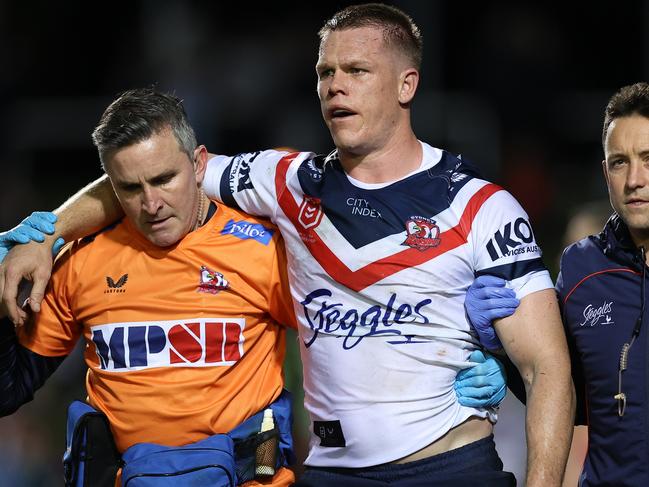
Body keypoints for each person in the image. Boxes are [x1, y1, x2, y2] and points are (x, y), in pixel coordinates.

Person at [0, 4, 574, 486]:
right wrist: (49, 228)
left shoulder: (481, 206)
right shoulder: (282, 181)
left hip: (445, 467)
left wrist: (497, 360)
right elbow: (154, 167)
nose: (335, 86)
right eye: (325, 72)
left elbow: (549, 369)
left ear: (407, 84)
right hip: (329, 474)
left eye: (356, 70)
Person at [0, 88, 299, 486]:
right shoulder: (82, 260)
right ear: (111, 185)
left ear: (199, 164)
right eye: (131, 188)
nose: (152, 203)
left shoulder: (263, 249)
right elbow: (9, 391)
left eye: (164, 179)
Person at [465, 81, 649, 486]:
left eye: (648, 159)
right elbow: (559, 389)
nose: (634, 178)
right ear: (605, 172)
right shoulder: (583, 267)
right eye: (619, 162)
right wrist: (499, 349)